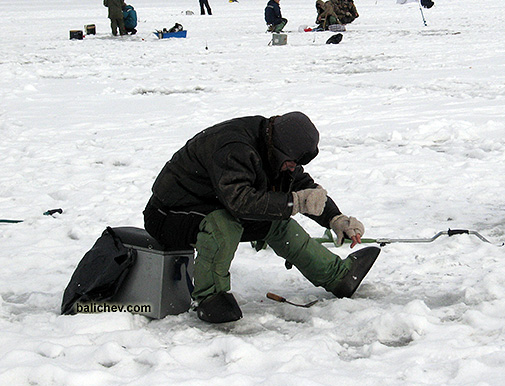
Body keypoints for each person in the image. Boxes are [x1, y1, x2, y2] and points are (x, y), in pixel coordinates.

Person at [143, 112, 379, 323]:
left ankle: (338, 277)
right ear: (278, 149)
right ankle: (210, 298)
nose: (291, 167)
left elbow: (298, 183)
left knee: (276, 221)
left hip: (214, 206)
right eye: (290, 162)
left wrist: (335, 218)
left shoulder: (274, 145)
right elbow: (239, 201)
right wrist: (294, 202)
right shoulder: (235, 148)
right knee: (222, 226)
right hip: (169, 215)